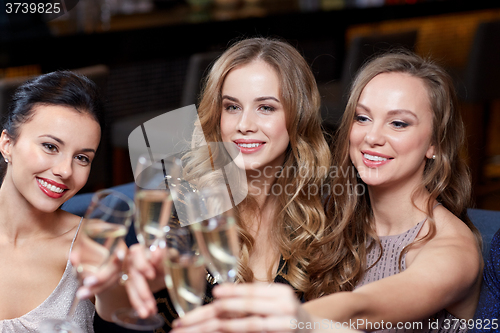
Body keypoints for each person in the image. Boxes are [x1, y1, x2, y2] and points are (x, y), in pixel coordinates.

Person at [169, 51, 483, 333]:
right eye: (363, 118)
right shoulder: (337, 220)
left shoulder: (453, 249)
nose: (372, 136)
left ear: (435, 144)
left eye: (398, 123)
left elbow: (362, 308)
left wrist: (287, 316)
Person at [77, 37, 333, 332]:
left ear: (297, 116)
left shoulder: (317, 212)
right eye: (232, 107)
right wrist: (112, 287)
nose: (244, 124)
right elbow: (116, 314)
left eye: (266, 108)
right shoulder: (177, 205)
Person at [0, 70, 123, 332]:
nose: (65, 170)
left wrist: (112, 283)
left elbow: (118, 312)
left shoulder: (91, 242)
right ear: (7, 143)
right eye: (50, 146)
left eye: (82, 158)